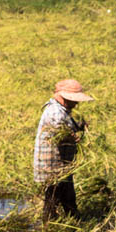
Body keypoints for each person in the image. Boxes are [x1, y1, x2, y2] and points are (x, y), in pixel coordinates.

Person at [33, 78, 93, 223]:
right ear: (63, 97)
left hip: (62, 163)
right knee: (53, 194)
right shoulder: (55, 112)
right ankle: (50, 222)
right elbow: (61, 135)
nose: (76, 103)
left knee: (67, 193)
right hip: (53, 162)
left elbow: (67, 128)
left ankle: (73, 218)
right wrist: (72, 139)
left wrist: (79, 126)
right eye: (73, 100)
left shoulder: (62, 110)